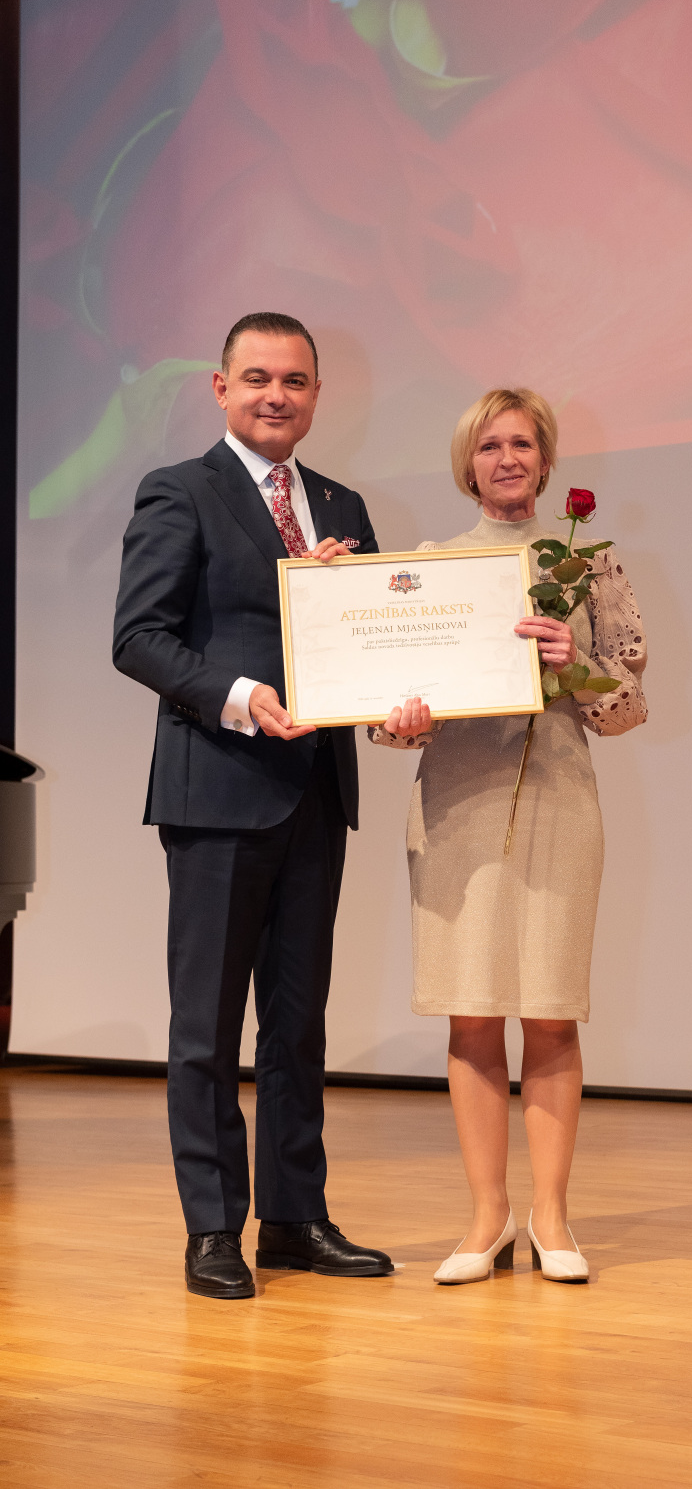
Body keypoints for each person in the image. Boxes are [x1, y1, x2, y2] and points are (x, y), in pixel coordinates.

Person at [113, 312, 393, 1299]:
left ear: (316, 394)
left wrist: (396, 707)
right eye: (259, 378)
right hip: (217, 788)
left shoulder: (342, 504)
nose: (278, 395)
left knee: (298, 1023)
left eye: (296, 381)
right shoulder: (179, 490)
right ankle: (211, 1229)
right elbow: (139, 637)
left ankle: (294, 1218)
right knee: (206, 1027)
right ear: (221, 388)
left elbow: (368, 643)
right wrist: (238, 696)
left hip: (315, 791)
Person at [370, 387, 647, 1283]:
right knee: (473, 1010)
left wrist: (577, 663)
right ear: (468, 463)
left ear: (546, 459)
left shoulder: (588, 565)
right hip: (458, 803)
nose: (506, 459)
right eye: (489, 445)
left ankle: (551, 1218)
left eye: (522, 443)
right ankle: (486, 1218)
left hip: (560, 800)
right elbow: (385, 722)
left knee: (552, 1010)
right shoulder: (429, 567)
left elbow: (627, 708)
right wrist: (401, 719)